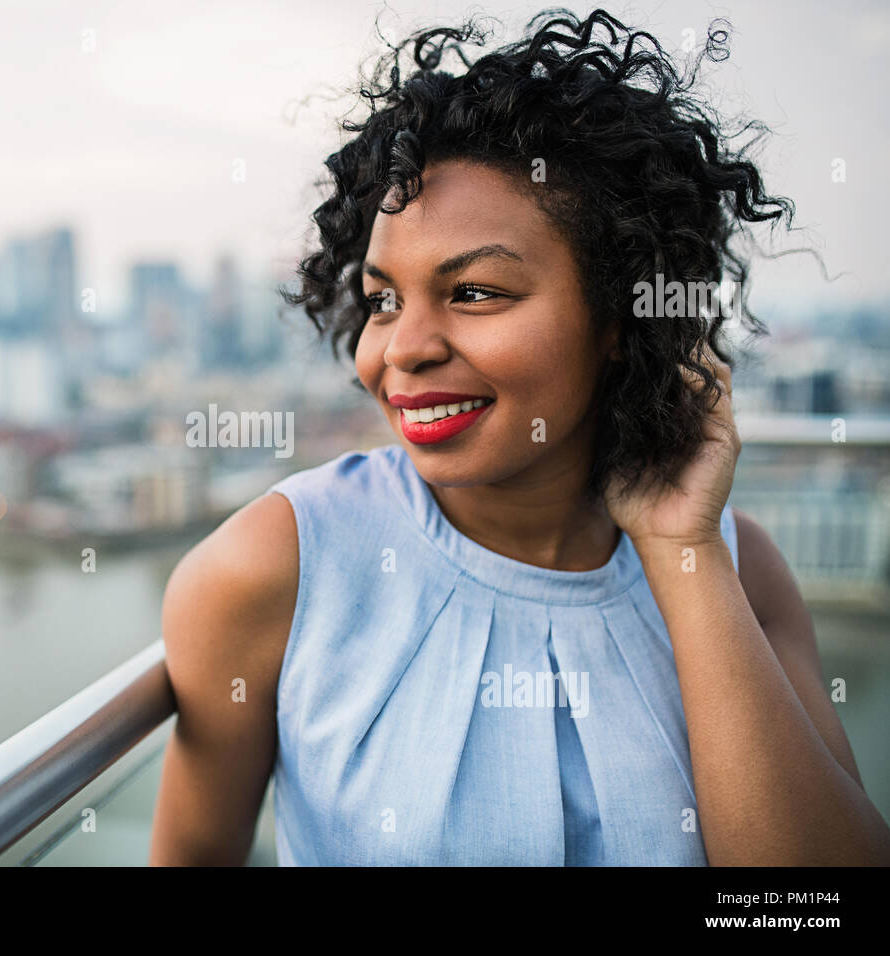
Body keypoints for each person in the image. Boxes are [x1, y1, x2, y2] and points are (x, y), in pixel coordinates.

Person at [149, 8, 890, 865]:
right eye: (384, 298)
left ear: (621, 316)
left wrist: (681, 547)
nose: (404, 348)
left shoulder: (737, 567)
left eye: (474, 294)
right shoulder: (272, 568)